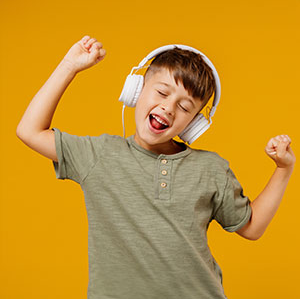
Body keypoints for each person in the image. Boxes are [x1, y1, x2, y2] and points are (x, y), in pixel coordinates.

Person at [16, 35, 296, 299]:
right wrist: (69, 67)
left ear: (194, 124)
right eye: (161, 93)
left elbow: (252, 227)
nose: (168, 108)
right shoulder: (99, 154)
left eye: (185, 107)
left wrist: (284, 169)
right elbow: (29, 130)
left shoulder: (210, 168)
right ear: (135, 91)